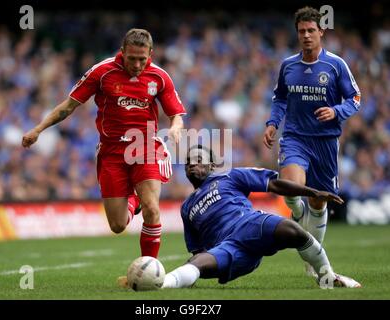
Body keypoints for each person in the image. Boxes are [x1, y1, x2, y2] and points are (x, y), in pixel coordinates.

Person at [22, 28, 186, 260]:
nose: (137, 65)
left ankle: (150, 267)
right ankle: (134, 199)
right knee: (118, 225)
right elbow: (68, 106)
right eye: (132, 59)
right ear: (122, 52)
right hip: (112, 152)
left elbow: (176, 114)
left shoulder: (159, 77)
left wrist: (176, 127)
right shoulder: (102, 72)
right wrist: (38, 129)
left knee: (152, 208)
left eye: (142, 59)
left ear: (150, 53)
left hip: (145, 146)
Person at [161, 145, 361, 289]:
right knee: (195, 264)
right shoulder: (186, 207)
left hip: (250, 224)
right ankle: (160, 283)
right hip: (227, 247)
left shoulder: (229, 176)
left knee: (293, 231)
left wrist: (313, 193)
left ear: (212, 165)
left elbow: (275, 184)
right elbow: (197, 249)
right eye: (187, 163)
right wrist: (195, 267)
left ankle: (326, 277)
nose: (191, 165)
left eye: (197, 160)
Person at [263, 7, 361, 275]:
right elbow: (280, 98)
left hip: (326, 142)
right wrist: (273, 123)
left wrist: (336, 111)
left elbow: (355, 98)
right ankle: (297, 214)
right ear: (297, 34)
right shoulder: (288, 65)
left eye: (310, 31)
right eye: (301, 31)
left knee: (318, 202)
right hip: (295, 138)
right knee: (292, 189)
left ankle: (311, 257)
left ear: (321, 32)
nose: (306, 35)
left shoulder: (336, 65)